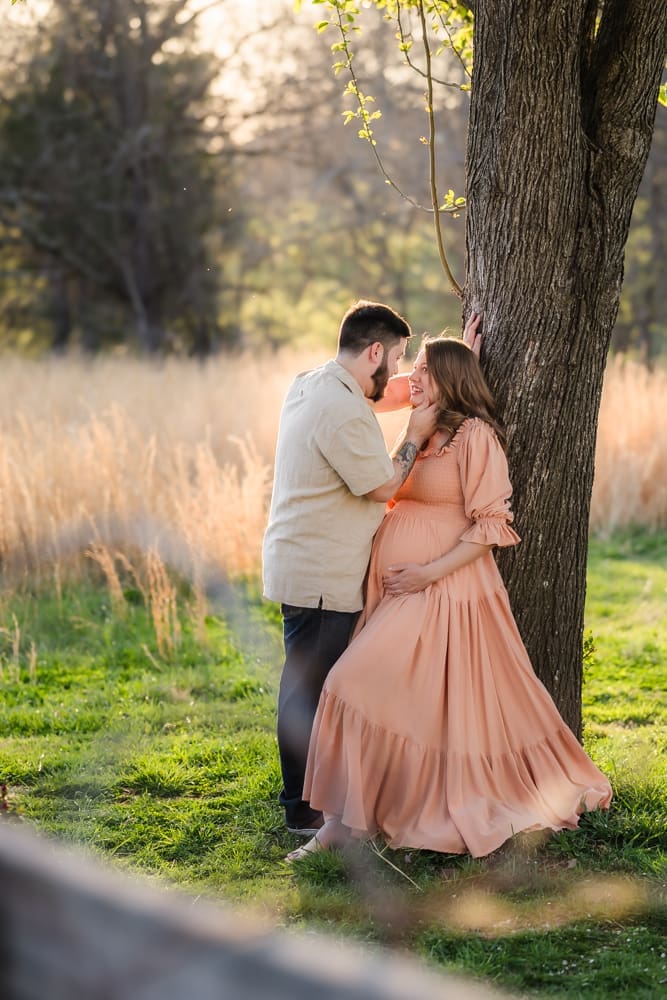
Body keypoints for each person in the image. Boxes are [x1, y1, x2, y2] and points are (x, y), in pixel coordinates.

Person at [289, 335, 612, 861]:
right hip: (396, 590)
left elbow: (490, 527)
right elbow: (386, 452)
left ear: (451, 381)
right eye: (413, 366)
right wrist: (440, 375)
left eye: (423, 370)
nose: (411, 379)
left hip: (443, 589)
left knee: (350, 683)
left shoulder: (475, 436)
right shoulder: (421, 427)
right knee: (404, 702)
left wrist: (427, 574)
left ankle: (343, 826)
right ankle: (347, 823)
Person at [263, 299, 450, 837]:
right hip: (321, 573)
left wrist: (452, 366)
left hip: (301, 561)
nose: (399, 370)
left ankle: (311, 797)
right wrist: (415, 432)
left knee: (308, 683)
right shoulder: (342, 411)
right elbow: (382, 485)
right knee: (310, 689)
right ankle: (302, 809)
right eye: (397, 358)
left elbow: (385, 392)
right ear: (374, 352)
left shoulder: (317, 382)